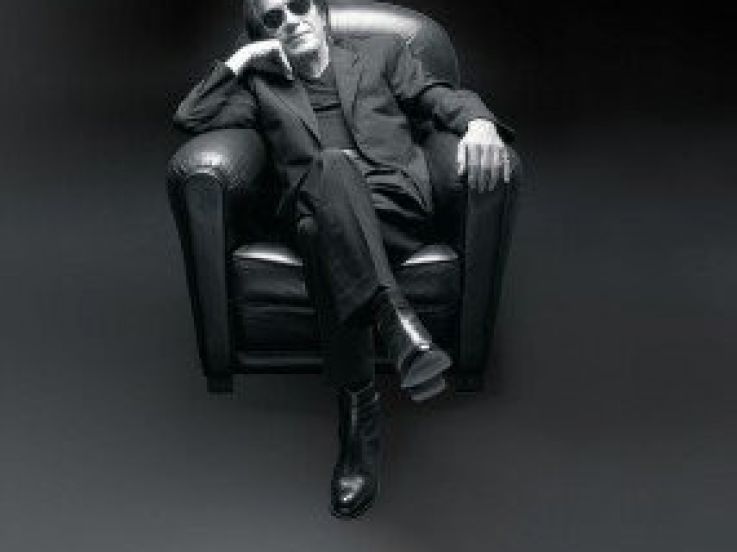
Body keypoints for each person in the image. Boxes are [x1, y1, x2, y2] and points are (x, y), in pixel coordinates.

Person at [174, 0, 515, 519]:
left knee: (322, 225)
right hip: (314, 205)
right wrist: (242, 60)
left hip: (394, 206)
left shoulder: (382, 54)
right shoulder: (261, 85)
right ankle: (395, 324)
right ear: (265, 34)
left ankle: (359, 415)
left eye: (298, 6)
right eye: (273, 18)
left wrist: (480, 124)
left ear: (320, 11)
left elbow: (438, 96)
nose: (291, 20)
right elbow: (191, 116)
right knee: (325, 192)